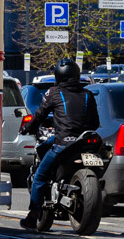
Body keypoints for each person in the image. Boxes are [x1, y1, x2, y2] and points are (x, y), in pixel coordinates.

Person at [19, 58, 100, 229]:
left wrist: (27, 127)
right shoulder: (88, 94)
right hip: (86, 142)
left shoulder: (54, 92)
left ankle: (33, 215)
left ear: (58, 76)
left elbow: (39, 115)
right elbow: (95, 122)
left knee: (40, 175)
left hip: (64, 142)